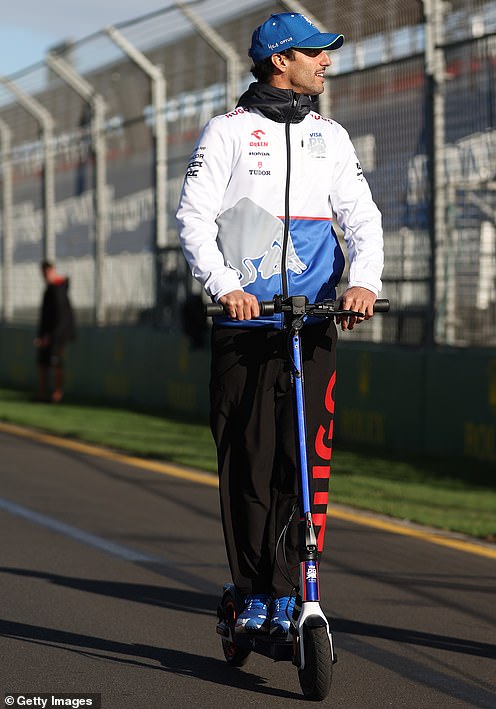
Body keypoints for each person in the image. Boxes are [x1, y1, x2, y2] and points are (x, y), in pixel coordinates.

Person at [176, 12, 383, 636]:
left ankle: (295, 588)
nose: (326, 61)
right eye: (315, 53)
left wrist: (364, 281)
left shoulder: (333, 136)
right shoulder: (227, 132)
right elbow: (193, 218)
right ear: (279, 60)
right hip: (245, 325)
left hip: (314, 322)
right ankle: (253, 590)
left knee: (306, 460)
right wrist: (226, 287)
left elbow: (362, 217)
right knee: (250, 459)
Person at [35, 261, 76, 403]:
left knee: (56, 363)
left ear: (53, 270)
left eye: (47, 272)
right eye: (43, 273)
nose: (45, 276)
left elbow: (62, 317)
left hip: (58, 335)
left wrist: (53, 336)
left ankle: (57, 394)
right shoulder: (49, 289)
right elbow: (45, 316)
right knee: (42, 363)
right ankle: (42, 394)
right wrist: (41, 335)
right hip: (48, 334)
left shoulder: (59, 288)